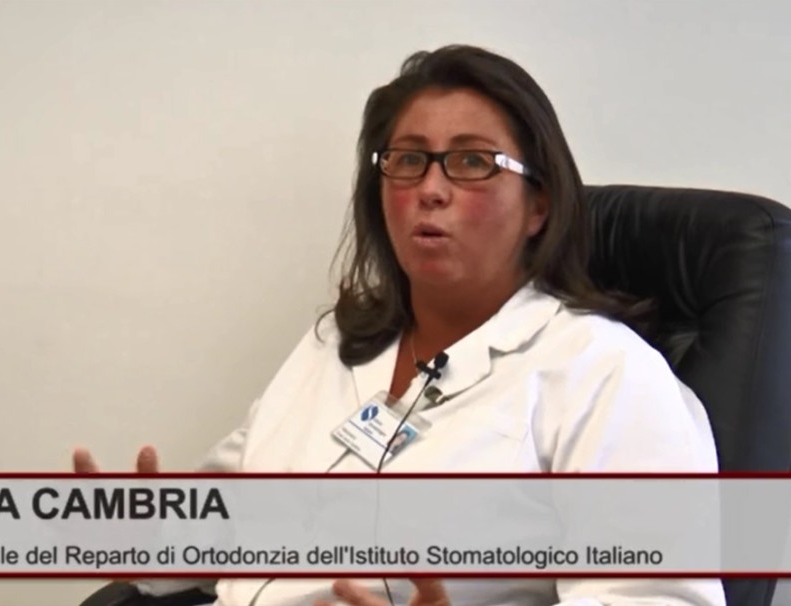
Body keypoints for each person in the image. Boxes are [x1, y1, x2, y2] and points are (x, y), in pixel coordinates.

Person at [74, 44, 725, 606]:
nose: (431, 189)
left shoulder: (604, 374)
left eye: (472, 162)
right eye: (409, 160)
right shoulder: (338, 344)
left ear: (539, 206)